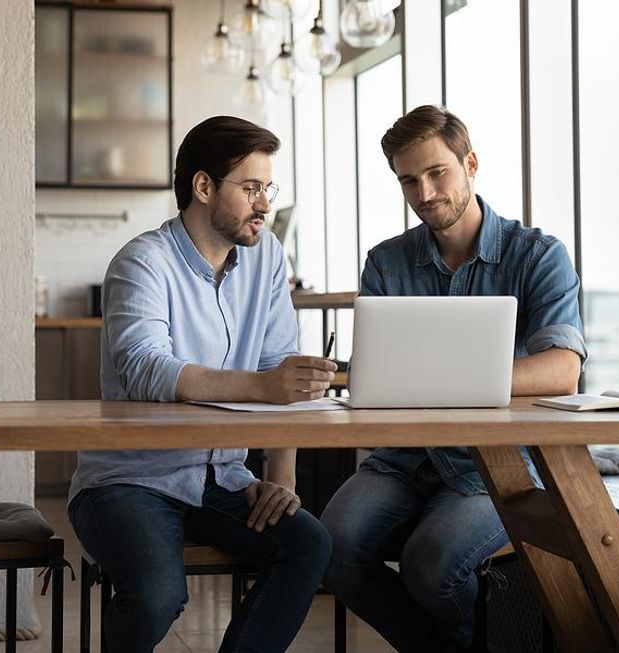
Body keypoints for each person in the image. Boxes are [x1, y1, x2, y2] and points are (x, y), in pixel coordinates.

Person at [321, 105, 587, 652]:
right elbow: (375, 377)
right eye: (408, 180)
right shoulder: (385, 263)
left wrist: (435, 379)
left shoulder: (537, 256)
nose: (424, 192)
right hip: (401, 458)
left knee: (431, 562)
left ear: (470, 164)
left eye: (437, 172)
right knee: (329, 548)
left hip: (494, 465)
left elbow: (562, 371)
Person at [68, 116, 336, 653]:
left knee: (309, 543)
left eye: (268, 188)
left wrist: (281, 478)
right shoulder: (143, 262)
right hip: (128, 480)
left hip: (222, 479)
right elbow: (146, 369)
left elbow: (280, 367)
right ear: (204, 186)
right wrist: (265, 387)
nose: (265, 204)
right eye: (251, 188)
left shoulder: (267, 260)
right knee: (159, 594)